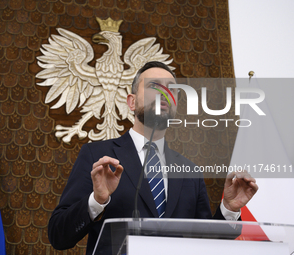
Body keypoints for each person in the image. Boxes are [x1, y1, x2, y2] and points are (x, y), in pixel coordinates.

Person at [48, 61, 258, 254]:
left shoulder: (190, 172)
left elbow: (207, 245)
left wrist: (229, 209)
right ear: (131, 102)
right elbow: (59, 236)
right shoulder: (97, 156)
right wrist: (97, 201)